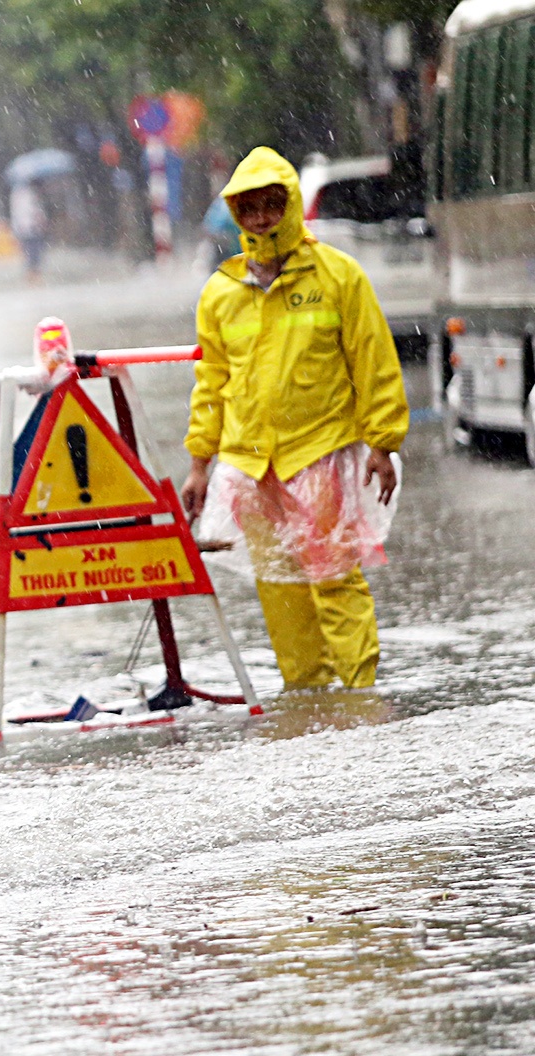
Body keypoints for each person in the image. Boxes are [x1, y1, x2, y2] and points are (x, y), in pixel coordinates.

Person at [181, 146, 408, 691]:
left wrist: (382, 444)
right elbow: (211, 384)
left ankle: (359, 695)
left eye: (271, 204)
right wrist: (198, 465)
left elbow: (373, 360)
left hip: (321, 453)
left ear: (290, 204)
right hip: (250, 465)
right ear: (236, 214)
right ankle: (305, 696)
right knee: (278, 588)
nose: (261, 217)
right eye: (250, 207)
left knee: (334, 577)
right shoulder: (221, 292)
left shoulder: (337, 277)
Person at [9, 180, 47, 283]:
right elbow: (29, 212)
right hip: (30, 228)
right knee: (33, 252)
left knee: (31, 252)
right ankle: (33, 277)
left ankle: (32, 276)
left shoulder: (17, 195)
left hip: (26, 228)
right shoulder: (27, 195)